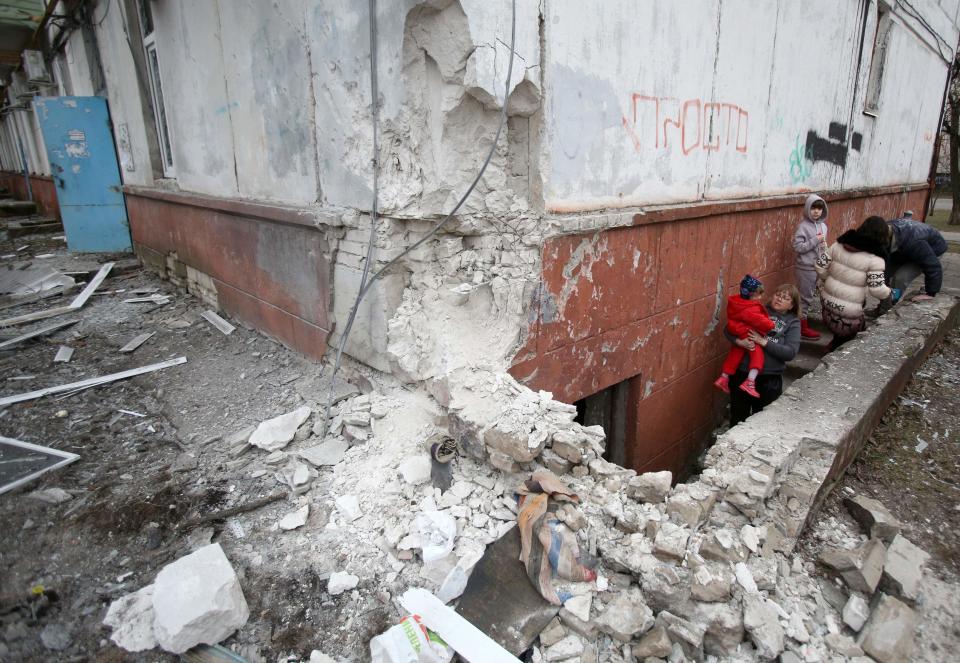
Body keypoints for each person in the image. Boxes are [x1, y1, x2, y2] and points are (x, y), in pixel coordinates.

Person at [724, 283, 802, 426]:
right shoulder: (757, 309)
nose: (779, 299)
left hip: (769, 380)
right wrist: (738, 342)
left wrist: (763, 342)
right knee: (738, 417)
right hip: (743, 373)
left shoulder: (793, 322)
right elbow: (728, 329)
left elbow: (790, 352)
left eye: (785, 298)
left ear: (792, 305)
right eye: (778, 295)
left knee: (762, 422)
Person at [816, 216, 891, 349]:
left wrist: (828, 280)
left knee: (841, 334)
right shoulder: (875, 259)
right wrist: (889, 293)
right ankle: (833, 352)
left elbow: (819, 265)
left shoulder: (838, 245)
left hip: (827, 305)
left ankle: (833, 344)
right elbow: (876, 289)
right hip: (848, 314)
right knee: (855, 338)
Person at [714, 275, 775, 398]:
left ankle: (724, 377)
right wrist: (771, 325)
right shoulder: (750, 309)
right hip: (748, 333)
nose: (760, 298)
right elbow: (761, 322)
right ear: (749, 295)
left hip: (738, 331)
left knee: (735, 354)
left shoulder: (735, 302)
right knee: (757, 356)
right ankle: (750, 382)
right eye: (757, 295)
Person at [885, 213, 947, 303]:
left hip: (932, 249)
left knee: (900, 278)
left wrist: (930, 293)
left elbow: (933, 266)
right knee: (885, 274)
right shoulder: (885, 229)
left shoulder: (915, 243)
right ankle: (884, 304)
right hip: (905, 248)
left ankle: (889, 305)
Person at [793, 194, 829, 339]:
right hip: (805, 267)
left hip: (818, 267)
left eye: (819, 208)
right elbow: (798, 247)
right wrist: (815, 240)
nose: (816, 211)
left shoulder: (823, 226)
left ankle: (800, 324)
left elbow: (821, 245)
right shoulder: (803, 227)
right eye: (813, 208)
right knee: (805, 298)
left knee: (811, 296)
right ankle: (802, 328)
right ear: (808, 208)